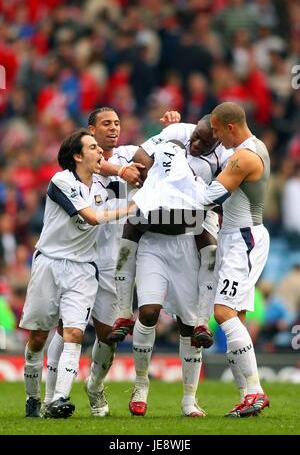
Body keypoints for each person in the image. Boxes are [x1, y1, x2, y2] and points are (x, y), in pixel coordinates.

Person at [42, 108, 182, 418]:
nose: (113, 128)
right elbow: (98, 166)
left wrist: (172, 131)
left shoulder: (129, 153)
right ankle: (52, 397)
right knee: (67, 329)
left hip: (113, 263)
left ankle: (94, 385)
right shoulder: (83, 163)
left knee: (108, 336)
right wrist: (119, 171)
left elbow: (154, 157)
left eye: (117, 123)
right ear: (90, 129)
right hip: (80, 257)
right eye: (106, 124)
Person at [112, 117, 231, 417]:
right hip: (153, 245)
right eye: (195, 137)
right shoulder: (172, 141)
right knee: (149, 311)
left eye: (204, 142)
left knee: (189, 327)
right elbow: (132, 154)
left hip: (185, 246)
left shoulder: (213, 167)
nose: (196, 144)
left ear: (217, 143)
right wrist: (123, 307)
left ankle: (189, 399)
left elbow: (208, 241)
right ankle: (141, 384)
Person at [20, 128, 135, 418]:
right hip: (50, 263)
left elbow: (115, 204)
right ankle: (33, 398)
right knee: (37, 338)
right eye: (93, 147)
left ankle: (59, 399)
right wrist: (132, 207)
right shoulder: (61, 180)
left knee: (73, 332)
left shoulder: (101, 187)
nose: (100, 152)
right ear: (77, 155)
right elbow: (92, 217)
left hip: (83, 269)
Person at [191, 102, 271, 417]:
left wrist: (167, 191)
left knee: (223, 312)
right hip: (235, 238)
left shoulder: (244, 157)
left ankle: (255, 392)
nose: (215, 138)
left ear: (231, 127)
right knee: (235, 316)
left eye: (217, 131)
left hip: (244, 239)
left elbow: (209, 197)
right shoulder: (249, 148)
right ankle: (246, 395)